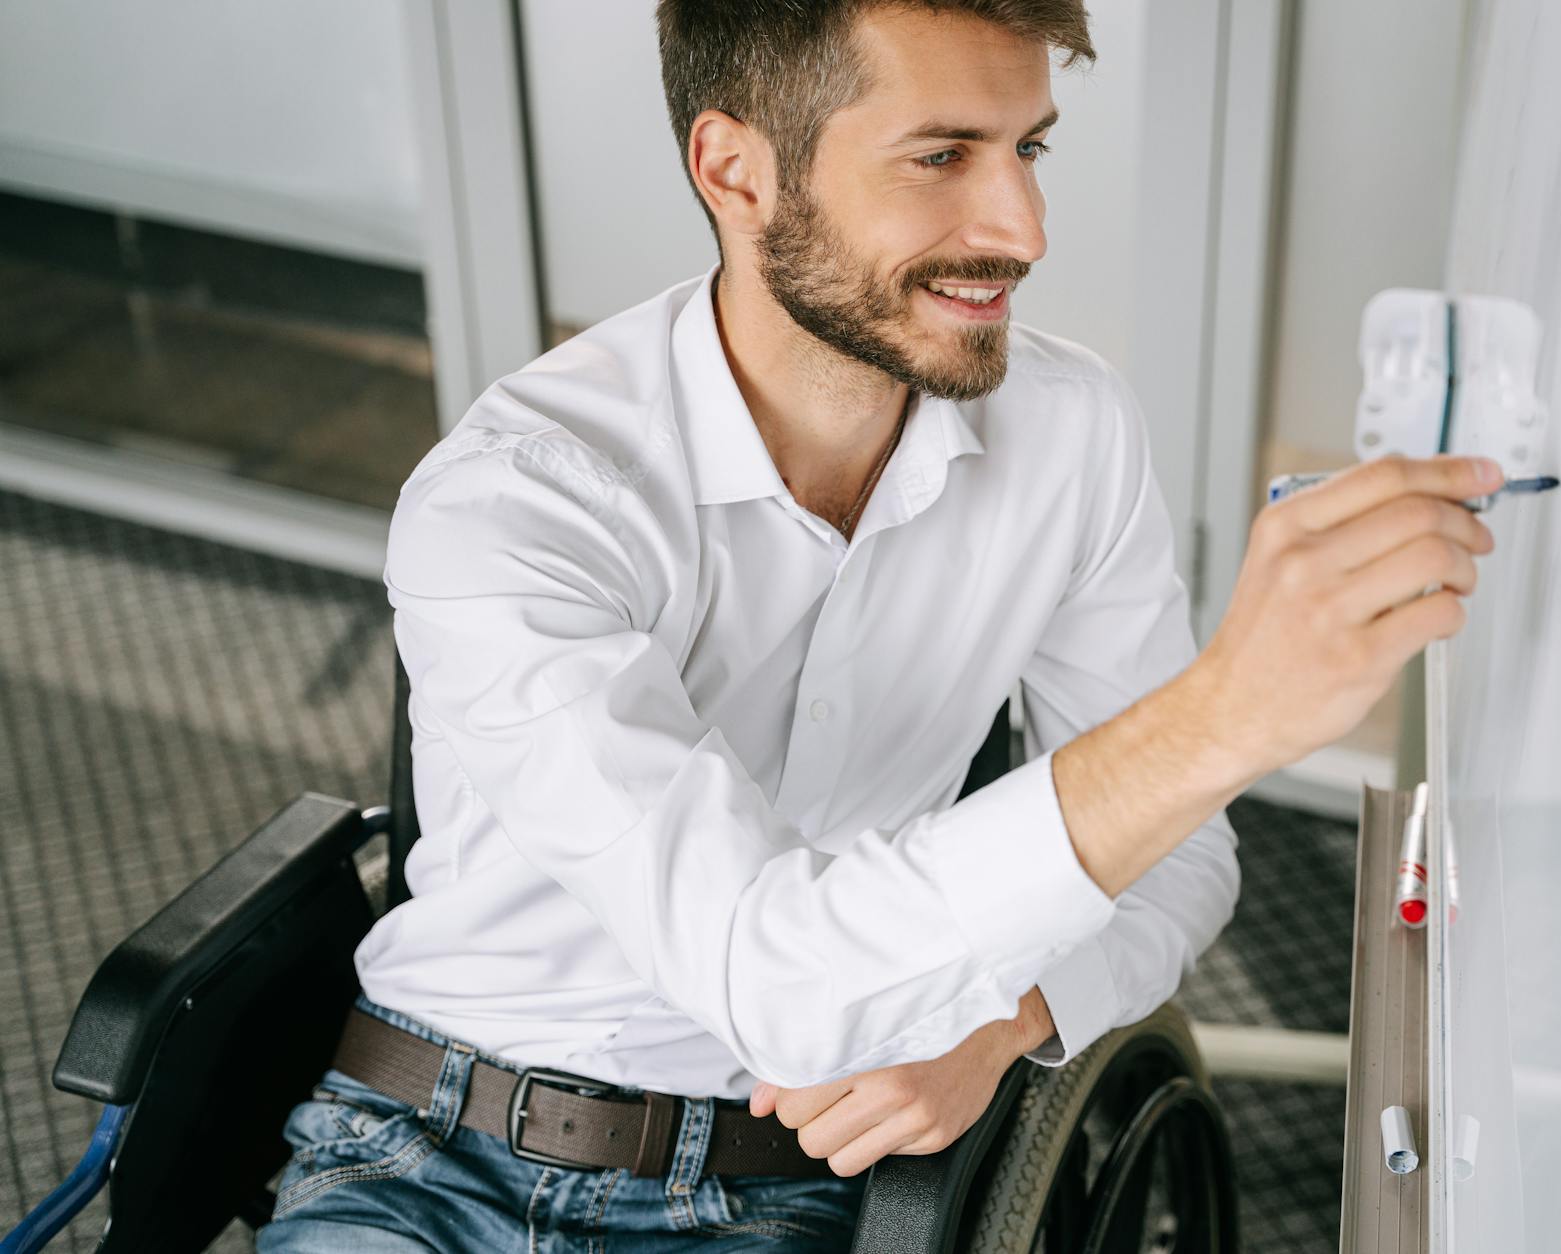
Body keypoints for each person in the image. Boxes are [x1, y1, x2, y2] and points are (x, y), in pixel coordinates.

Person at [258, 1, 1498, 1249]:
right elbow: (768, 973)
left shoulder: (1068, 436)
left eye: (1030, 150)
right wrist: (1223, 713)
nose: (1022, 229)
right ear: (734, 170)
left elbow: (1182, 858)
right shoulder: (520, 499)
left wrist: (1010, 1016)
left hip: (791, 1176)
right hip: (431, 1149)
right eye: (941, 156)